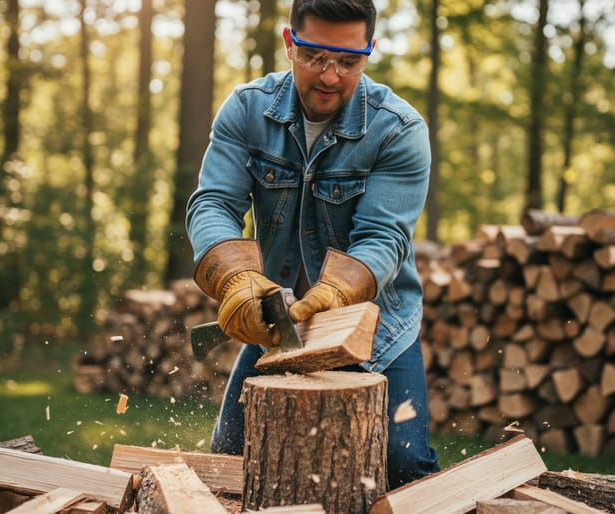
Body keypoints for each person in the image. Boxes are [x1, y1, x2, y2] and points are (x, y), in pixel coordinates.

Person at [186, 0, 439, 488]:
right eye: (314, 56)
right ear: (288, 42)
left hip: (376, 322)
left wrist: (339, 291)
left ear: (369, 52)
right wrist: (236, 277)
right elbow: (213, 203)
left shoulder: (400, 130)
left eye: (348, 61)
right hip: (281, 322)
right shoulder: (246, 110)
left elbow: (383, 236)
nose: (329, 75)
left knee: (405, 467)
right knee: (229, 463)